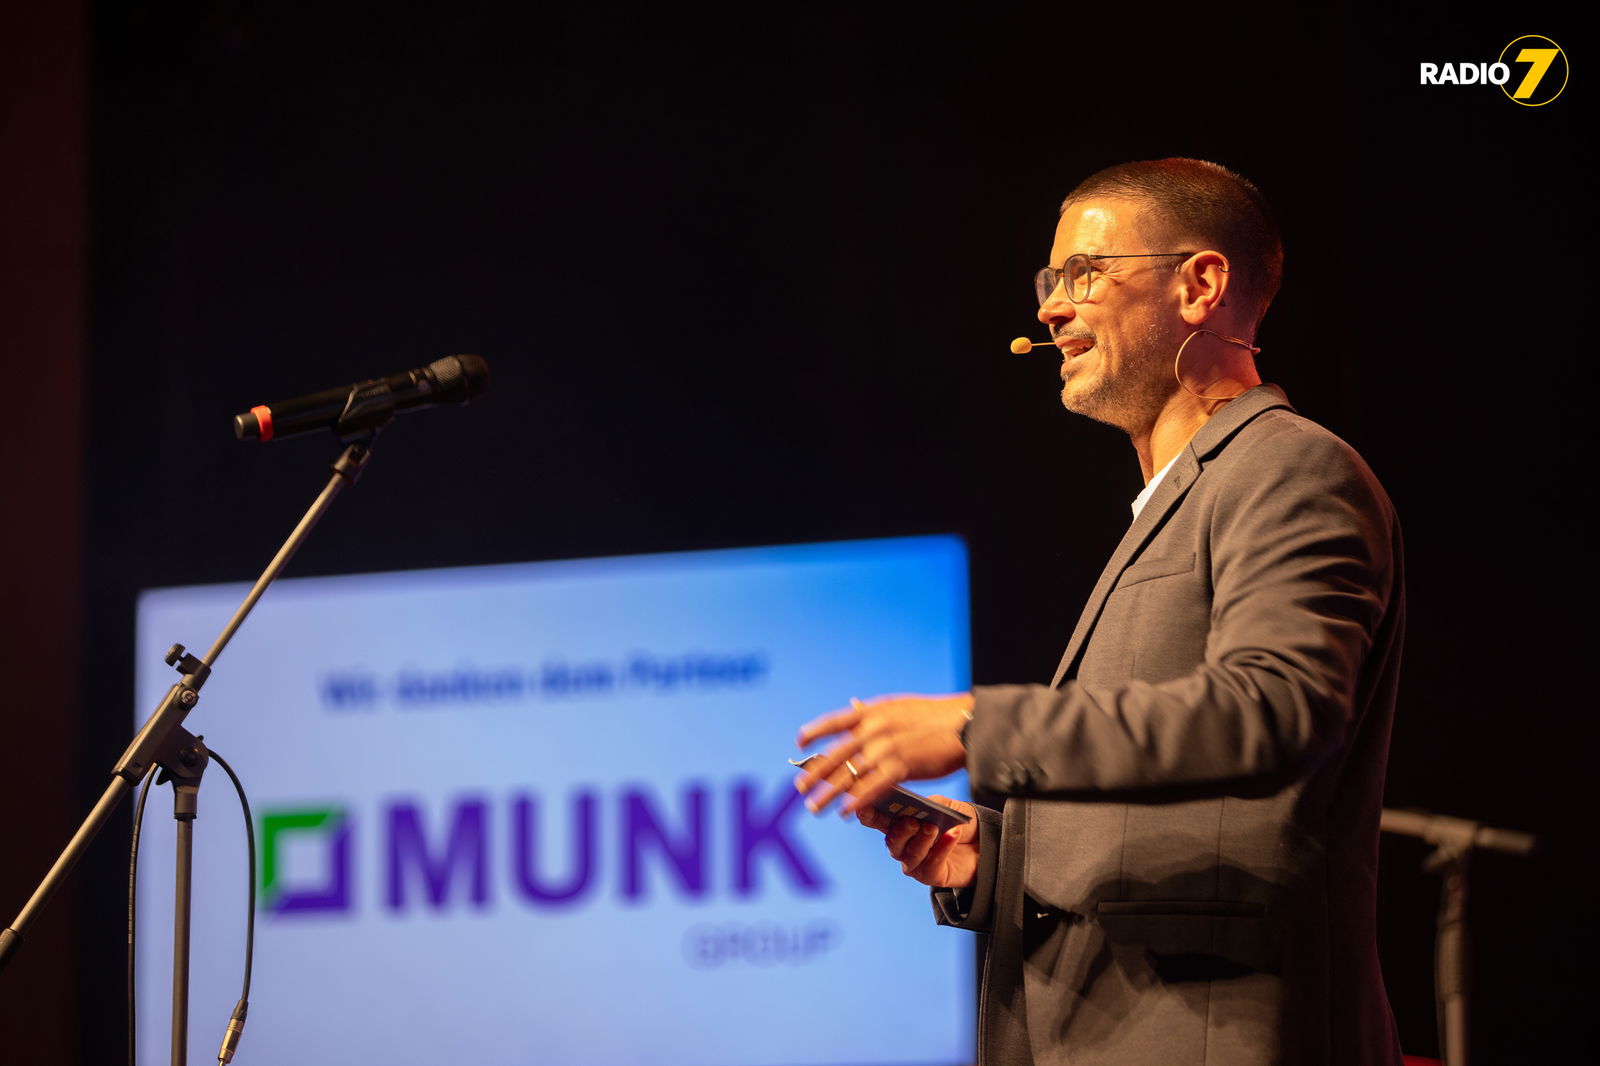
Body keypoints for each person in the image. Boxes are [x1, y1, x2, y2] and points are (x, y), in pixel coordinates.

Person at [794, 159, 1405, 1066]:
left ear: (1200, 286)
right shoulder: (1173, 503)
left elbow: (1276, 708)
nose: (1050, 309)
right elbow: (1183, 806)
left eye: (1085, 274)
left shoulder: (1286, 468)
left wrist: (977, 724)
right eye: (1051, 281)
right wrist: (1002, 865)